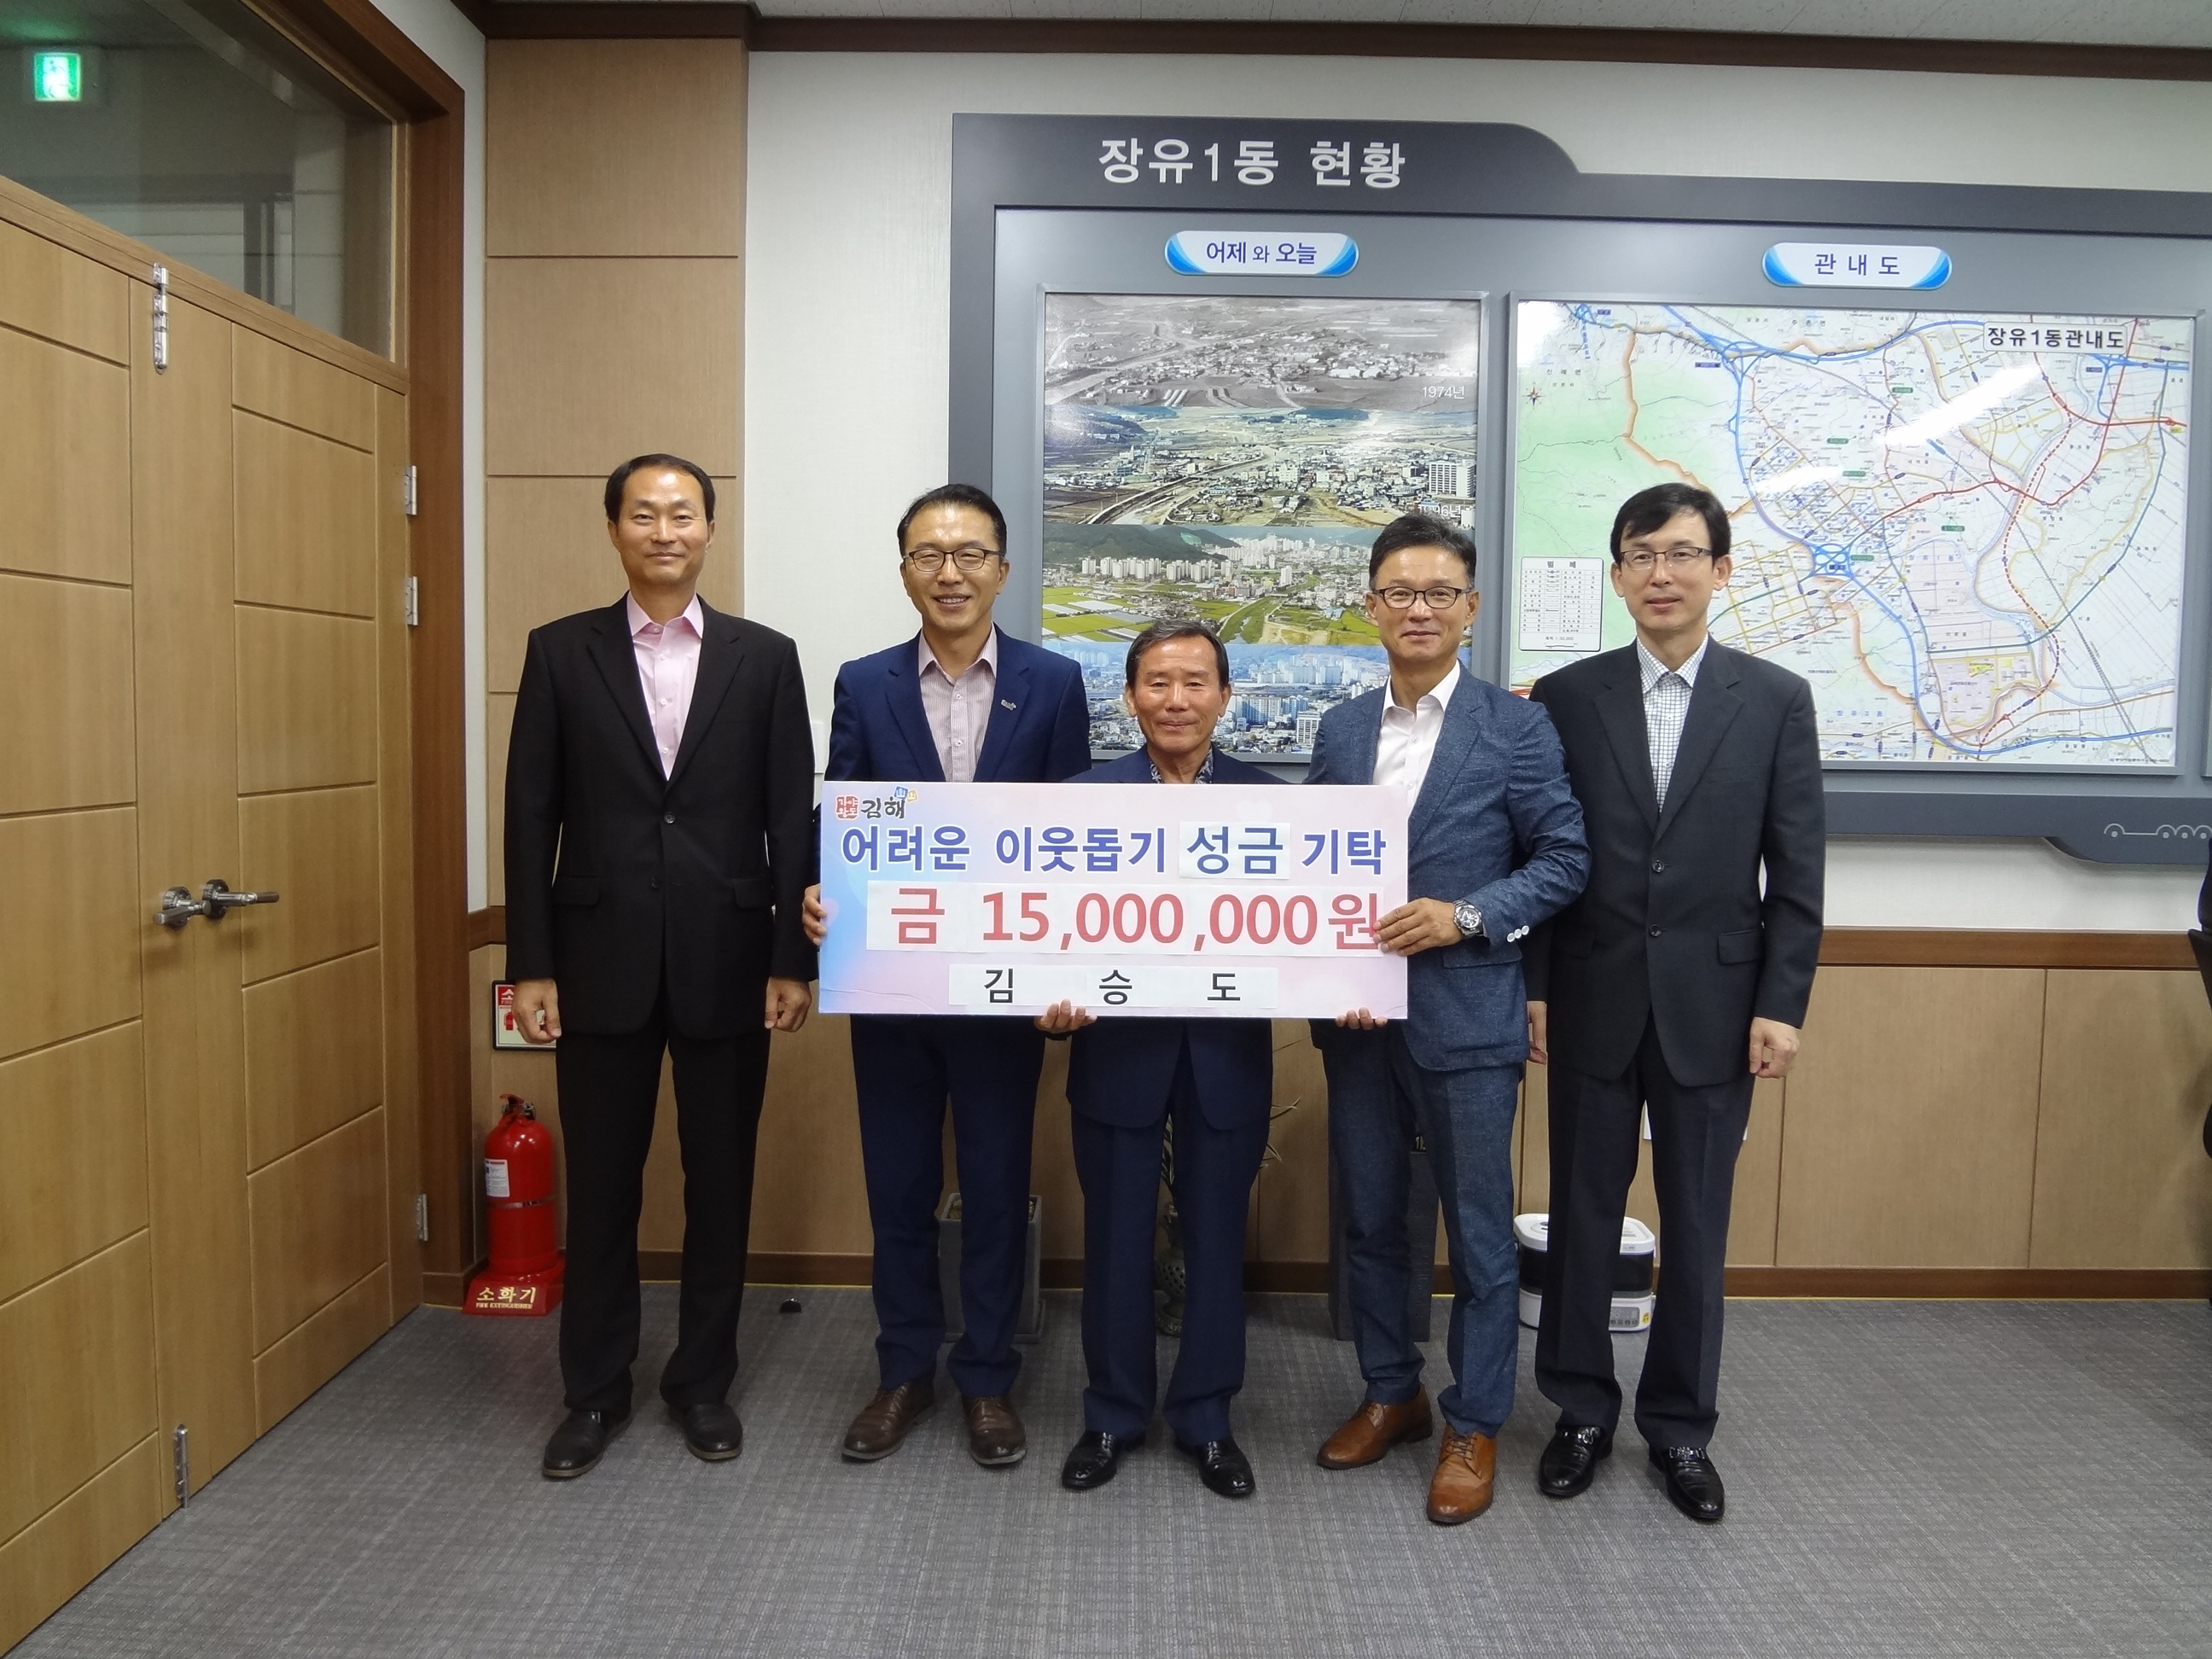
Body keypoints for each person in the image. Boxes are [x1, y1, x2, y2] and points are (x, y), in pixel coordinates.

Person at [505, 454, 815, 1480]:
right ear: (614, 530)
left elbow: (790, 818)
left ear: (710, 530)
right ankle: (594, 1391)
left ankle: (702, 1384)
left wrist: (790, 960)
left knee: (720, 1183)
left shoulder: (766, 658)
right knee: (602, 1188)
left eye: (683, 514)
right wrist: (530, 965)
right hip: (597, 961)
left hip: (731, 958)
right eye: (644, 514)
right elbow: (529, 816)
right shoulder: (560, 652)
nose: (665, 531)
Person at [1525, 481, 1824, 1525]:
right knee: (1583, 1218)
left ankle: (1681, 1429)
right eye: (1642, 555)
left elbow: (1797, 867)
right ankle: (1579, 1412)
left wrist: (1783, 1003)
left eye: (1684, 554)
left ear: (1721, 570)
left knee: (1696, 1226)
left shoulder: (1775, 699)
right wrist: (1535, 986)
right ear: (1616, 575)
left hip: (1718, 1008)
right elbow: (1545, 855)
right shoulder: (1567, 697)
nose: (1663, 574)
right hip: (1591, 995)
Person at [1307, 512, 1587, 1526]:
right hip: (1356, 1020)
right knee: (1371, 1218)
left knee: (1476, 1236)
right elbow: (1311, 866)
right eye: (1399, 592)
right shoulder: (1340, 728)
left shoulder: (1516, 727)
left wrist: (1464, 915)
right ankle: (1393, 1392)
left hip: (1467, 1015)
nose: (1418, 609)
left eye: (1438, 594)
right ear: (1371, 606)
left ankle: (1474, 1420)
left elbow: (1565, 859)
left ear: (1470, 608)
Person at [804, 484, 1090, 1469]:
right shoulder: (865, 681)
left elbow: (1072, 834)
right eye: (929, 555)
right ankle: (903, 1371)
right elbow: (843, 812)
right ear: (905, 574)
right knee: (900, 1187)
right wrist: (819, 890)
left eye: (970, 554)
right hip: (893, 984)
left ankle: (987, 1378)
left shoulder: (1053, 683)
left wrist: (1064, 968)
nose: (950, 572)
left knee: (998, 1187)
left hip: (1005, 989)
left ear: (1003, 570)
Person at [1036, 620, 1280, 1502]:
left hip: (1226, 1059)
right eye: (1158, 683)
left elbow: (1311, 928)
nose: (1177, 701)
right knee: (1113, 1241)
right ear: (1130, 695)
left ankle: (1207, 1418)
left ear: (1226, 695)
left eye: (1195, 682)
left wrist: (1352, 981)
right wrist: (1048, 1001)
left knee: (1216, 1245)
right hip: (1117, 1054)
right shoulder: (1080, 801)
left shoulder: (1275, 805)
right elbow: (1044, 926)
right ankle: (1112, 1413)